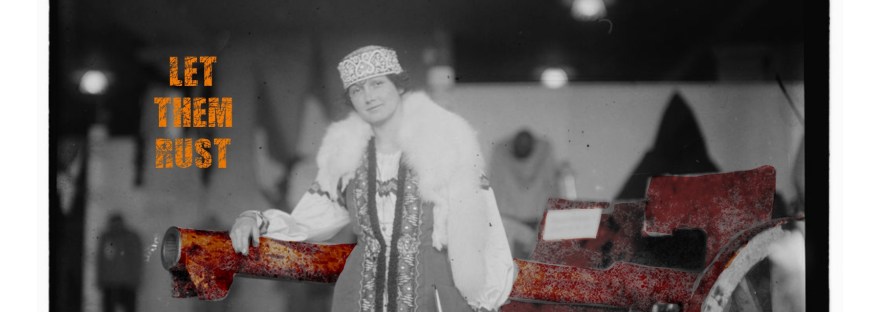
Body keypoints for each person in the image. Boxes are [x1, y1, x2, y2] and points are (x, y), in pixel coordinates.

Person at [230, 45, 516, 311]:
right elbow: (306, 223)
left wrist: (486, 297)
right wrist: (255, 219)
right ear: (351, 101)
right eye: (356, 90)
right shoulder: (346, 161)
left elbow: (484, 229)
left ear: (399, 86)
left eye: (377, 83)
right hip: (357, 297)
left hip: (433, 295)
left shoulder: (444, 147)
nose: (368, 96)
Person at [97, 213, 143, 312]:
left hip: (127, 283)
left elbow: (137, 260)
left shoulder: (132, 237)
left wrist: (135, 280)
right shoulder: (106, 237)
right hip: (110, 284)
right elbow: (101, 260)